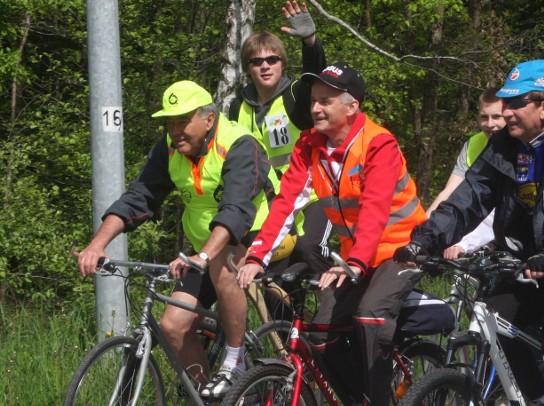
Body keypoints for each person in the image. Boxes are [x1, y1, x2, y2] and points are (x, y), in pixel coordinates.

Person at [394, 59, 544, 404]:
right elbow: (470, 196)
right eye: (504, 104)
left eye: (515, 104)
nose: (506, 113)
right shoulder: (506, 144)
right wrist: (426, 240)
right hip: (542, 257)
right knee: (494, 314)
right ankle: (539, 396)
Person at [238, 62, 427, 405]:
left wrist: (353, 262)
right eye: (313, 100)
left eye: (326, 101)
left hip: (402, 248)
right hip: (355, 255)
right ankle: (359, 398)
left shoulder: (378, 143)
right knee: (321, 333)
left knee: (371, 314)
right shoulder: (310, 145)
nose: (315, 108)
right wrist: (256, 256)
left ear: (352, 106)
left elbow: (375, 209)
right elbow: (285, 205)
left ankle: (381, 398)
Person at [76, 81, 277, 397]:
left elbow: (236, 209)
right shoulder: (170, 149)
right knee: (173, 326)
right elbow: (139, 196)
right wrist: (96, 244)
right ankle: (209, 397)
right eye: (169, 122)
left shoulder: (240, 143)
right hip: (206, 249)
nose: (175, 130)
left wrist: (205, 256)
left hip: (260, 239)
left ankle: (234, 362)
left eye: (183, 120)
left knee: (223, 261)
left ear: (208, 119)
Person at [230, 1, 332, 278]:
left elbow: (316, 78)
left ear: (282, 63)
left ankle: (337, 310)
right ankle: (288, 321)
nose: (265, 66)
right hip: (269, 202)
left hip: (312, 195)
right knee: (267, 267)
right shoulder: (238, 107)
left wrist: (310, 43)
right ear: (247, 67)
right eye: (256, 61)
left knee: (308, 248)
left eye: (272, 59)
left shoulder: (297, 95)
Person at [427, 87, 504, 259]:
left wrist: (464, 241)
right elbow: (449, 192)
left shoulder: (520, 144)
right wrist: (423, 228)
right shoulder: (473, 144)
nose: (490, 124)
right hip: (478, 231)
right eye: (484, 117)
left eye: (497, 117)